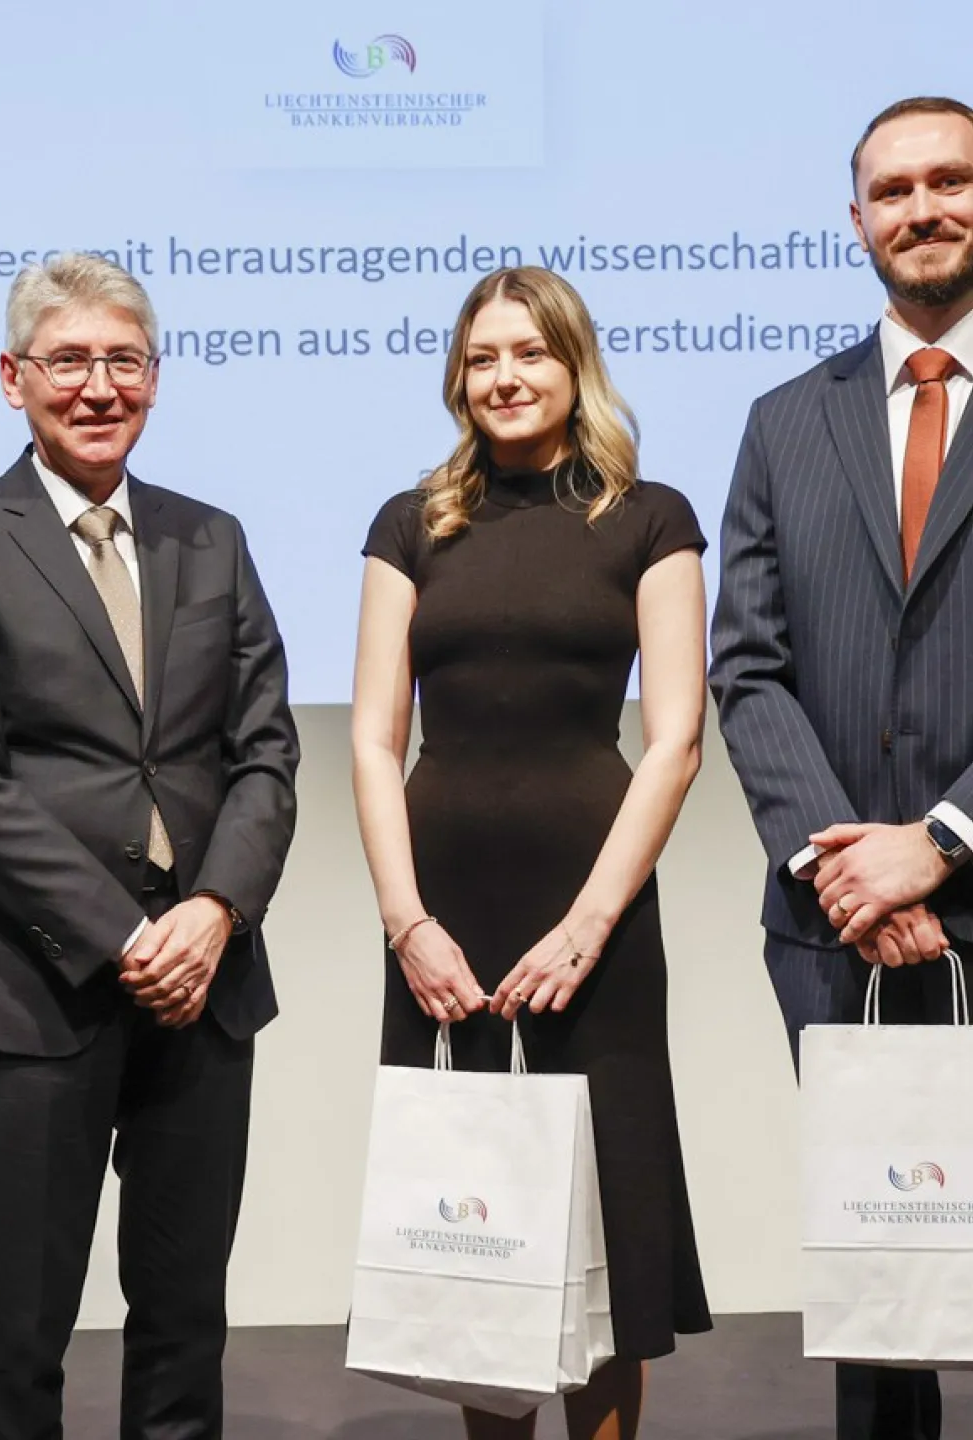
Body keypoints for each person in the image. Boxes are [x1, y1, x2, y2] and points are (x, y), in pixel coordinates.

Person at [0, 252, 299, 1440]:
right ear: (12, 379)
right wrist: (128, 934)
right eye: (67, 362)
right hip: (35, 988)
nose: (97, 386)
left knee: (186, 1317)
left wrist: (215, 913)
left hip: (206, 984)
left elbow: (266, 752)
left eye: (123, 360)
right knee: (22, 1324)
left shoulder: (210, 539)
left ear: (156, 379)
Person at [352, 266, 711, 1439]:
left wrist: (589, 924)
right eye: (481, 357)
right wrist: (409, 925)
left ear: (573, 365)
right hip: (444, 909)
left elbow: (675, 739)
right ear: (458, 377)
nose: (504, 377)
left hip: (593, 908)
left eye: (528, 354)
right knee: (476, 1218)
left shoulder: (650, 515)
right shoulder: (411, 523)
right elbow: (369, 738)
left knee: (605, 1232)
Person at [710, 94, 973, 1440]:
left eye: (950, 180)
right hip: (833, 924)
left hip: (970, 884)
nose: (923, 208)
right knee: (885, 1287)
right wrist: (851, 862)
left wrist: (944, 838)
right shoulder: (781, 420)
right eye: (894, 190)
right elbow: (745, 668)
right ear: (856, 219)